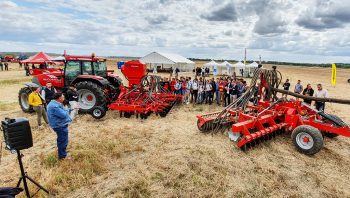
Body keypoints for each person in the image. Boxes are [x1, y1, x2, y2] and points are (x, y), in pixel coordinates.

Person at [47, 93, 73, 160]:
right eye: (63, 97)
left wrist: (71, 109)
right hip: (59, 126)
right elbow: (64, 115)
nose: (64, 98)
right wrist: (67, 109)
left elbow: (63, 112)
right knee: (63, 141)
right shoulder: (54, 106)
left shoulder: (55, 104)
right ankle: (62, 157)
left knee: (62, 140)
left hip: (59, 125)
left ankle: (62, 153)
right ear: (59, 98)